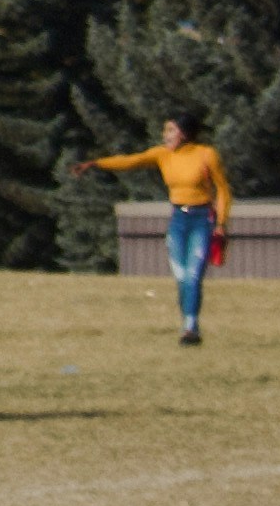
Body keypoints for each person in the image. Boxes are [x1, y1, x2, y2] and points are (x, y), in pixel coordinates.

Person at [83, 114, 234, 344]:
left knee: (193, 276)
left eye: (170, 130)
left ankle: (190, 327)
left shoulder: (206, 155)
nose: (166, 135)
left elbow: (223, 190)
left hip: (202, 220)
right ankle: (187, 321)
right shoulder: (162, 154)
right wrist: (96, 163)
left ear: (183, 133)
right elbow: (130, 161)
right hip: (178, 221)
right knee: (181, 276)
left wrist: (221, 224)